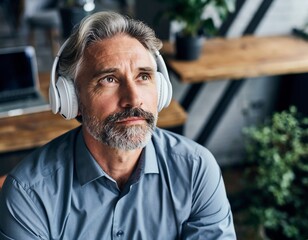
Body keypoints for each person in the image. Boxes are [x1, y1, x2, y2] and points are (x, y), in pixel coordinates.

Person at [0, 11, 236, 239]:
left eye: (143, 76)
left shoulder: (196, 170)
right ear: (72, 99)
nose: (133, 99)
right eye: (109, 79)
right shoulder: (29, 193)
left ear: (161, 89)